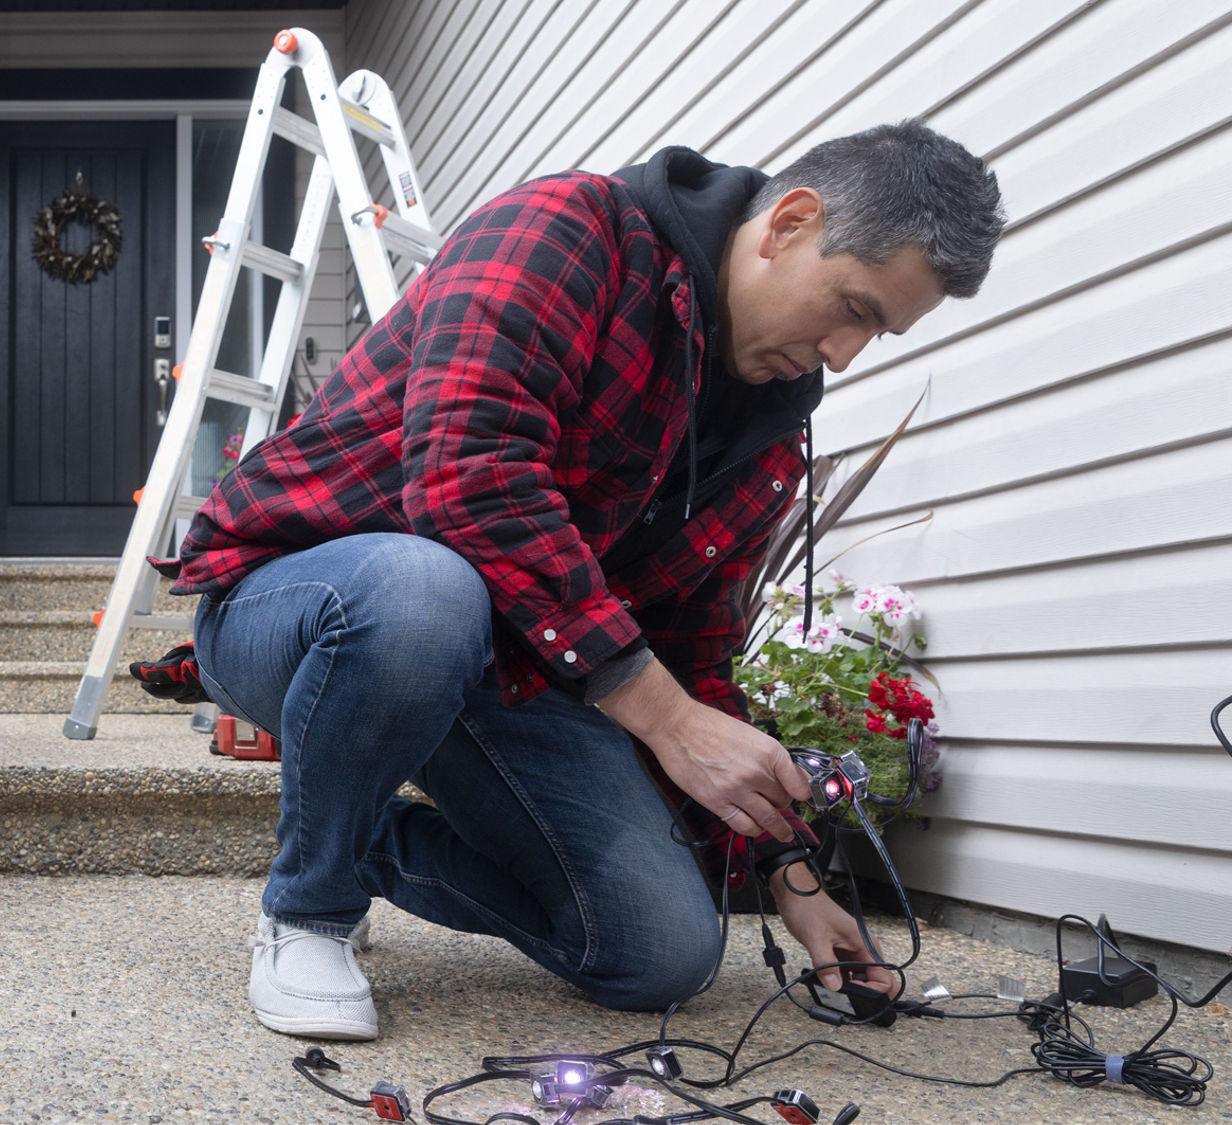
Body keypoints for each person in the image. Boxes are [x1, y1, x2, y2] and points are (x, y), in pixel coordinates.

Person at [164, 120, 1005, 1040]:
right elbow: (468, 480)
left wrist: (788, 873)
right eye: (855, 308)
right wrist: (668, 720)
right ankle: (308, 911)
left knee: (661, 951)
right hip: (308, 603)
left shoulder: (765, 432)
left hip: (509, 667)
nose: (845, 354)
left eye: (879, 334)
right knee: (425, 587)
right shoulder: (565, 233)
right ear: (790, 223)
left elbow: (695, 651)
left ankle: (353, 836)